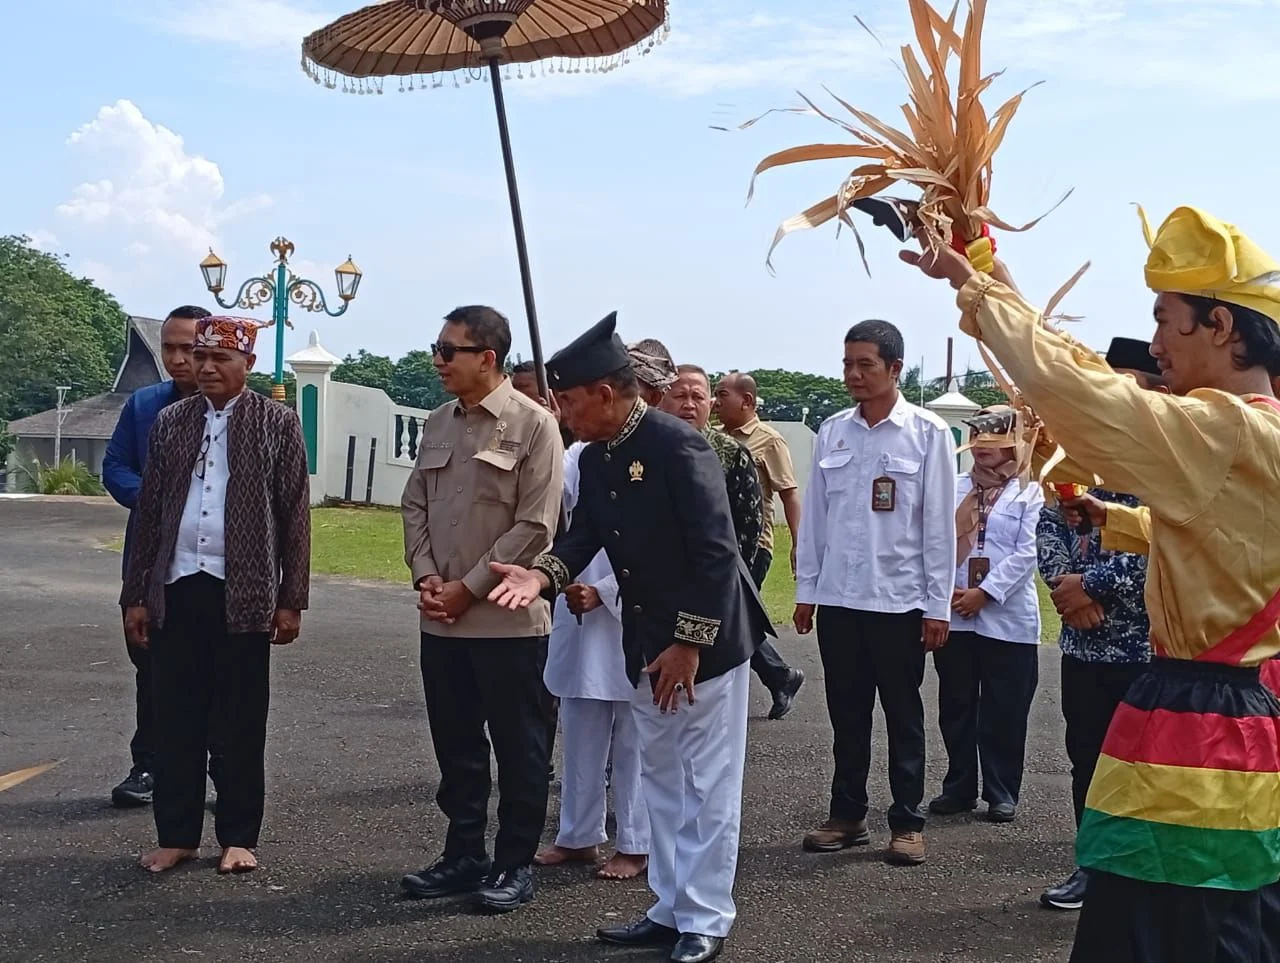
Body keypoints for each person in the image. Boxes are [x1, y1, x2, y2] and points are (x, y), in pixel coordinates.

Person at [900, 205, 1280, 961]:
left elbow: (1076, 386)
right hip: (1236, 716)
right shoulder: (1258, 428)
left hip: (1199, 728)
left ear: (1222, 328)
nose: (1157, 341)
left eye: (1167, 318)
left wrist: (973, 283)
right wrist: (1112, 516)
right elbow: (1226, 540)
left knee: (1165, 926)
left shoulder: (1223, 426)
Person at [488, 312, 772, 963]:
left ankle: (706, 915)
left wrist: (688, 643)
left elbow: (715, 551)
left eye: (567, 401)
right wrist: (541, 577)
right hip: (644, 645)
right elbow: (584, 532)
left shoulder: (679, 446)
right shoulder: (597, 455)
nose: (561, 413)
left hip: (703, 651)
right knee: (665, 782)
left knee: (706, 783)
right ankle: (670, 907)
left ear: (606, 393)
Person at [121, 315, 310, 875]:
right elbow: (151, 512)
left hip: (244, 592)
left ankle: (238, 835)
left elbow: (294, 514)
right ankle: (176, 834)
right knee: (176, 717)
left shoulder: (276, 423)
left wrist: (291, 596)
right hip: (177, 588)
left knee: (240, 720)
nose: (205, 368)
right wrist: (137, 594)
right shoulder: (172, 422)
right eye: (199, 358)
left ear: (247, 365)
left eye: (220, 359)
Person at [399, 305, 564, 914]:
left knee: (521, 747)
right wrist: (427, 577)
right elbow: (414, 503)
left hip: (507, 620)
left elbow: (535, 524)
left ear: (486, 357)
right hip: (441, 615)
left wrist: (468, 586)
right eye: (437, 348)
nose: (438, 361)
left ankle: (514, 862)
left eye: (449, 350)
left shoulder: (535, 425)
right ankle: (463, 852)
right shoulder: (440, 421)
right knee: (456, 743)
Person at [794, 319, 957, 866]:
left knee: (904, 714)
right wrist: (807, 589)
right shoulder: (832, 431)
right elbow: (816, 518)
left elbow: (938, 526)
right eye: (847, 364)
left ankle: (907, 821)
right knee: (847, 712)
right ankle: (847, 814)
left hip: (899, 602)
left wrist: (937, 605)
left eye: (866, 364)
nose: (854, 375)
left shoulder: (929, 433)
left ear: (895, 368)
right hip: (841, 598)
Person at [1035, 338, 1162, 912]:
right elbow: (1048, 522)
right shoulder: (1079, 451)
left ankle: (1146, 876)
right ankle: (1093, 867)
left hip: (1150, 648)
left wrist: (1093, 585)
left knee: (1151, 768)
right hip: (1085, 648)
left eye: (1134, 381)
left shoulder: (1166, 456)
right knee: (1086, 759)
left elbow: (1168, 541)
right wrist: (1067, 591)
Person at [102, 305, 210, 808]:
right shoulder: (145, 406)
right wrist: (157, 499)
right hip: (150, 559)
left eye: (188, 347)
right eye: (169, 347)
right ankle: (148, 765)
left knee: (218, 669)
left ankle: (215, 770)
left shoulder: (244, 413)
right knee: (152, 665)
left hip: (214, 563)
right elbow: (115, 467)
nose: (178, 358)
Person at [534, 434, 649, 881]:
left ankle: (636, 843)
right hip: (576, 610)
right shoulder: (578, 455)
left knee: (633, 740)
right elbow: (552, 497)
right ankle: (578, 835)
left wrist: (605, 593)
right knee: (580, 732)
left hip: (632, 613)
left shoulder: (652, 454)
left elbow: (658, 549)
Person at [929, 405, 1042, 824]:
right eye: (977, 444)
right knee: (956, 703)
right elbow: (937, 541)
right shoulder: (954, 486)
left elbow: (1028, 551)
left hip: (1008, 616)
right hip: (955, 611)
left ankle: (1001, 790)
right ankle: (959, 786)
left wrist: (986, 593)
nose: (983, 453)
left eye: (993, 445)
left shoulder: (1030, 490)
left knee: (1005, 706)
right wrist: (949, 593)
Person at [713, 371, 807, 719]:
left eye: (722, 395)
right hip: (717, 543)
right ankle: (780, 676)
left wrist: (798, 543)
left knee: (731, 615)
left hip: (754, 545)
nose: (715, 402)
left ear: (747, 402)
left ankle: (777, 677)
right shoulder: (714, 439)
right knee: (733, 617)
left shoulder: (768, 440)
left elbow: (790, 494)